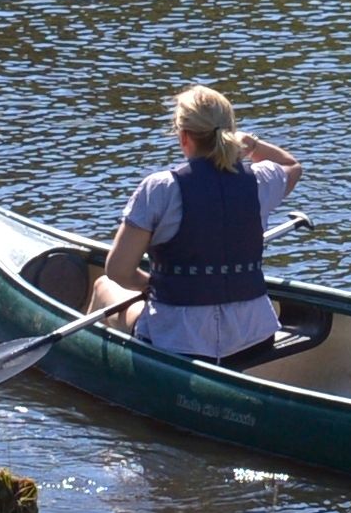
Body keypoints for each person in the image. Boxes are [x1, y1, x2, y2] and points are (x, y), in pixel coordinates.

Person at [87, 85, 303, 362]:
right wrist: (253, 144)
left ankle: (85, 363)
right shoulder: (261, 180)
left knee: (103, 286)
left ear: (183, 136)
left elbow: (118, 271)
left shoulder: (160, 188)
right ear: (230, 132)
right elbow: (292, 166)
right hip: (255, 337)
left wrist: (154, 284)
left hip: (178, 342)